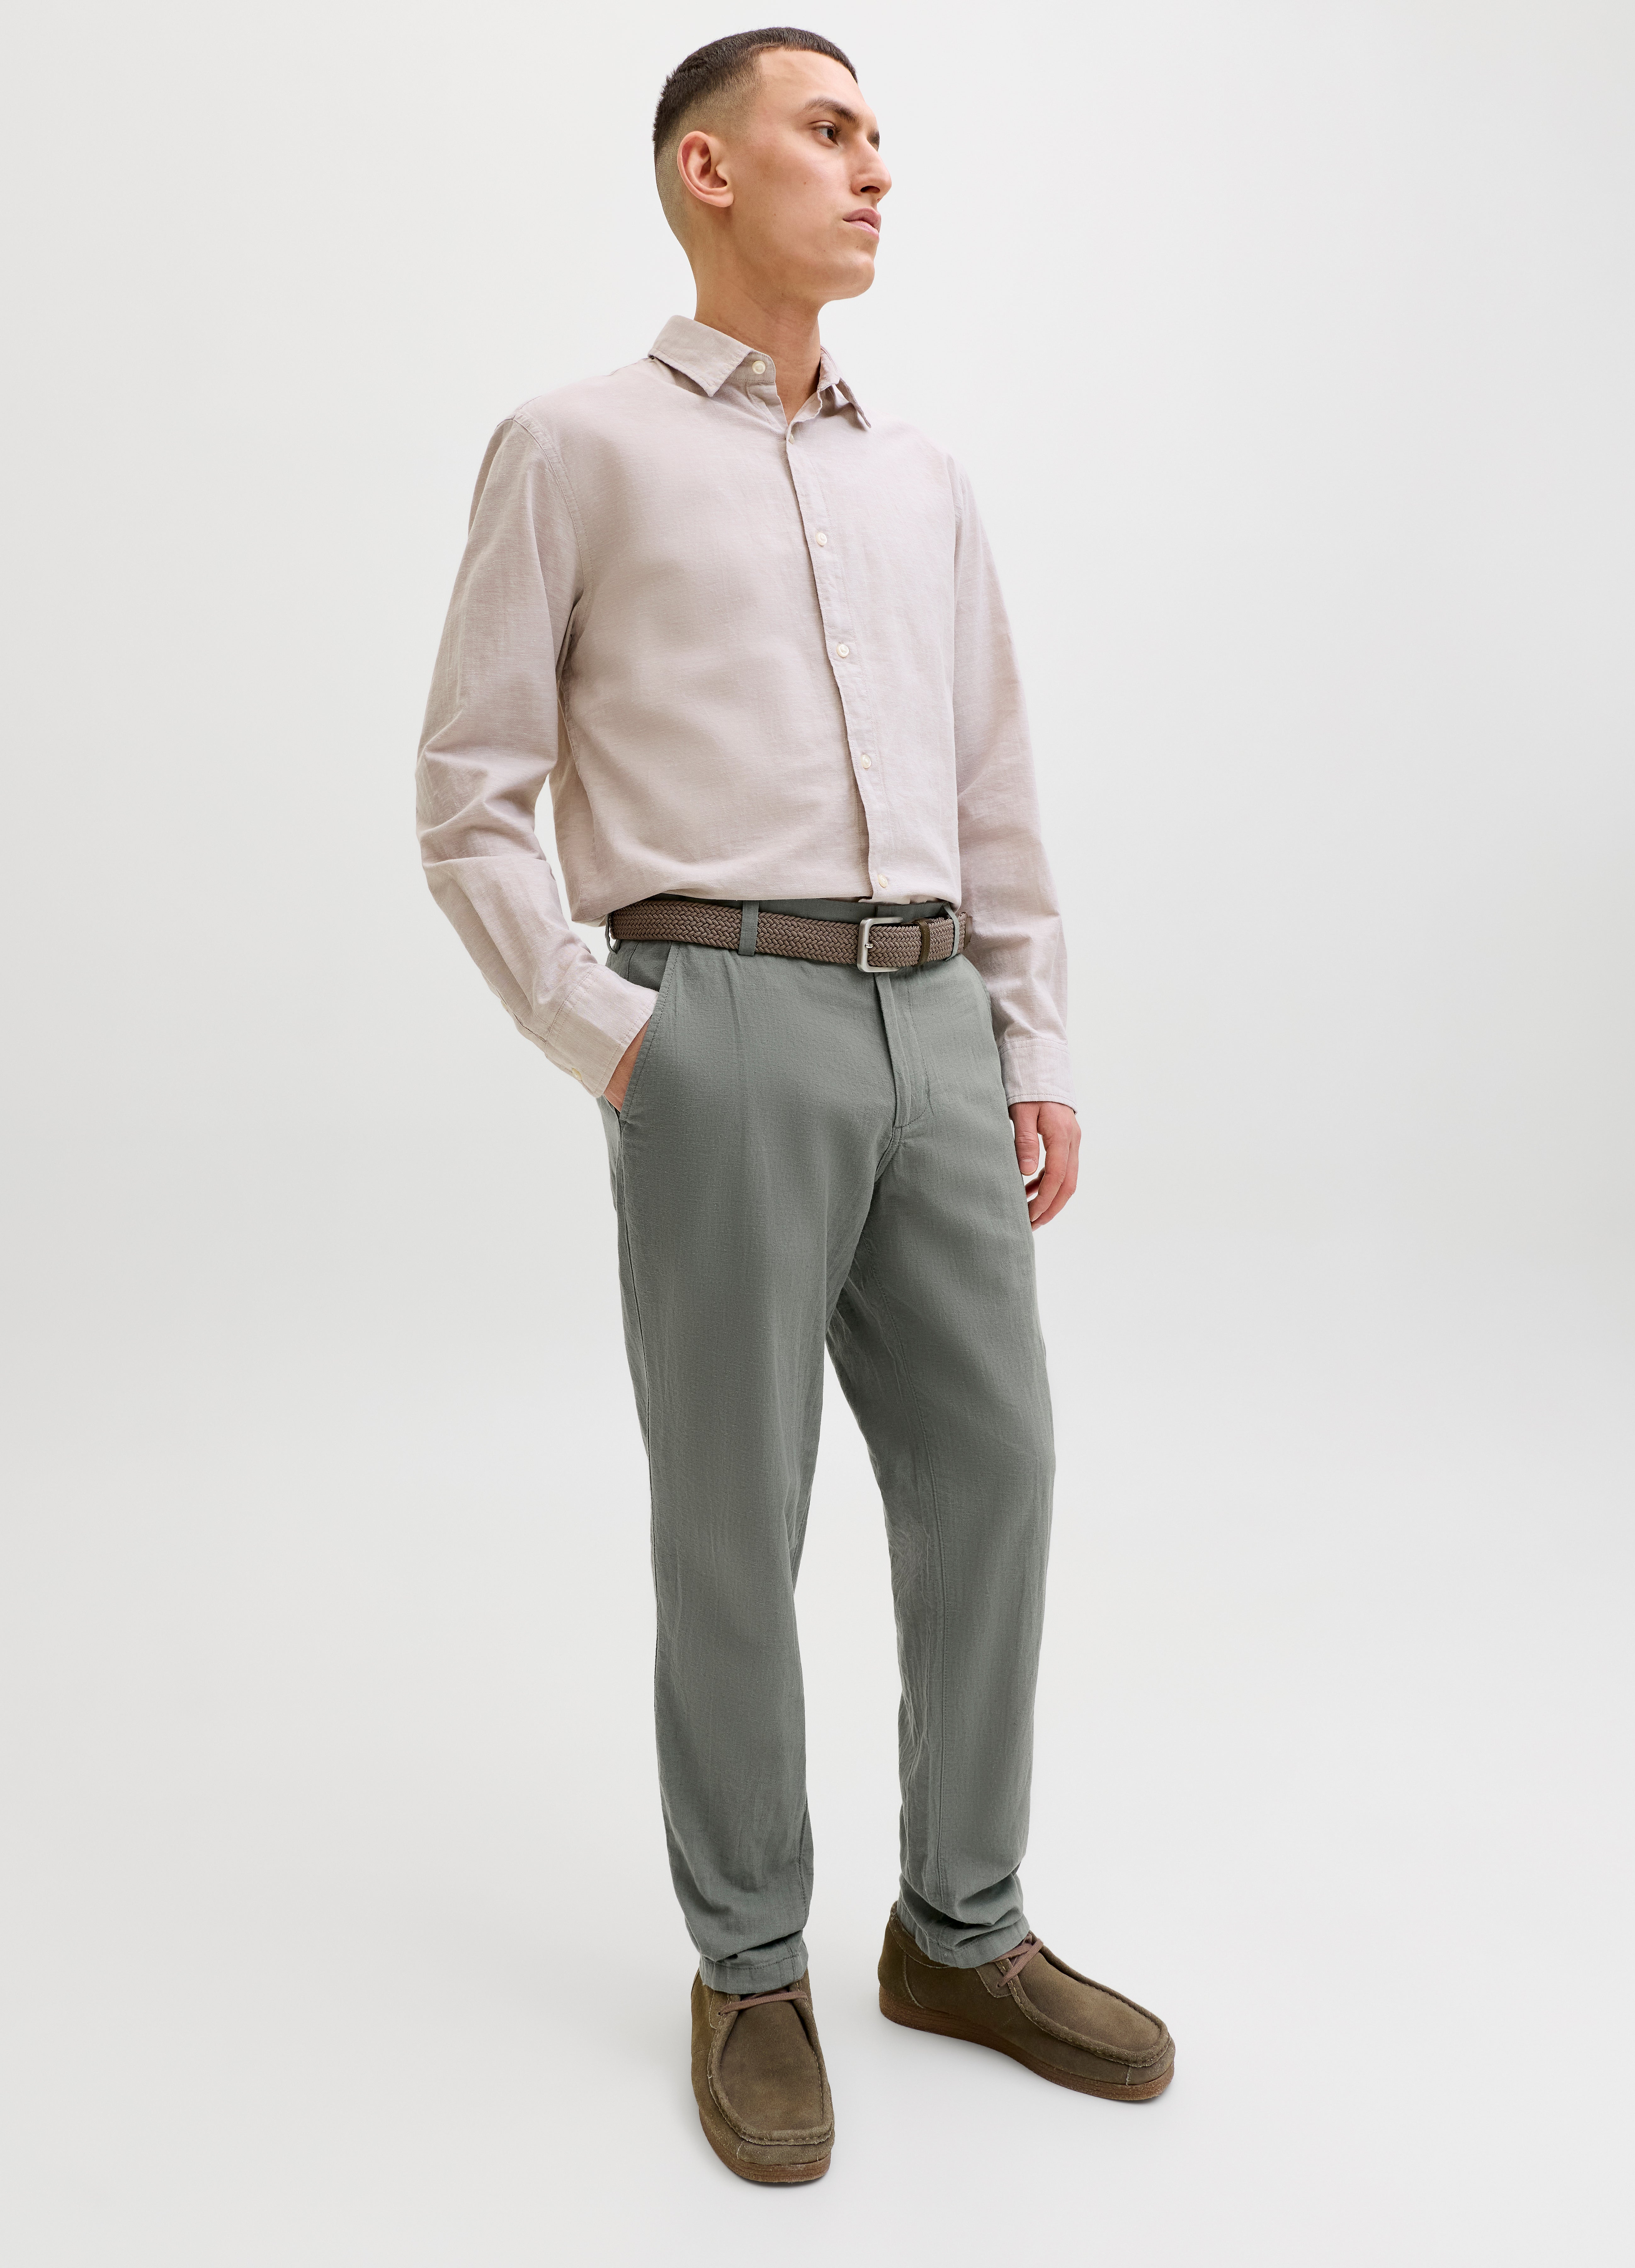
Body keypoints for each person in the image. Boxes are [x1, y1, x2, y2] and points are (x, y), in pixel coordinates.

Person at [416, 25, 1173, 2183]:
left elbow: (995, 779)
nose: (875, 169)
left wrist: (1029, 1040)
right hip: (717, 1011)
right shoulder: (572, 447)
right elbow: (468, 792)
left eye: (881, 136)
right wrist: (611, 1031)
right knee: (736, 1510)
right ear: (708, 169)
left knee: (998, 1467)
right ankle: (751, 1964)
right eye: (831, 130)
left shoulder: (920, 479)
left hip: (935, 1016)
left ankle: (961, 1929)